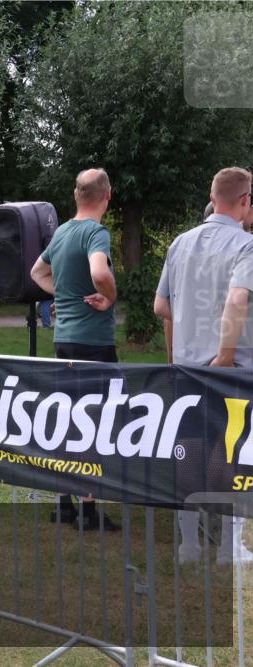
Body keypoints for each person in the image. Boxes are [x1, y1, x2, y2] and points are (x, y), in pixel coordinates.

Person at [154, 167, 253, 565]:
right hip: (230, 369)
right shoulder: (245, 246)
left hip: (187, 368)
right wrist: (226, 355)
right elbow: (237, 301)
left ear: (213, 197)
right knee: (233, 456)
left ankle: (188, 546)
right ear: (245, 201)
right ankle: (229, 547)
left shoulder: (180, 243)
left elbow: (163, 306)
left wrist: (175, 355)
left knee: (188, 454)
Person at [30, 167, 119, 531]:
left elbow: (37, 272)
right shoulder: (95, 232)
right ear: (107, 196)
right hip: (93, 342)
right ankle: (87, 510)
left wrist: (63, 295)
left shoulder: (63, 231)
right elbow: (99, 274)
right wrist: (110, 295)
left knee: (66, 421)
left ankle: (64, 503)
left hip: (63, 339)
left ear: (75, 195)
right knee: (93, 425)